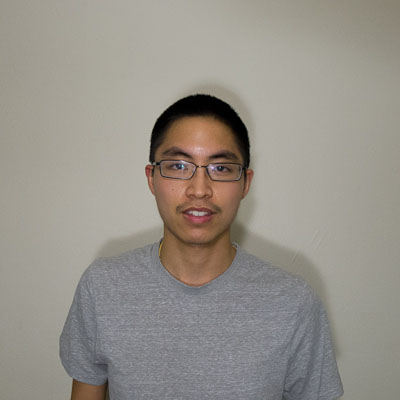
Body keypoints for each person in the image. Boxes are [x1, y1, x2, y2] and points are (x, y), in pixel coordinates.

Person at [60, 94, 343, 400]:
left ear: (245, 183)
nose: (199, 190)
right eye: (179, 165)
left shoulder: (294, 303)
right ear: (152, 178)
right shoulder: (103, 288)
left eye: (220, 168)